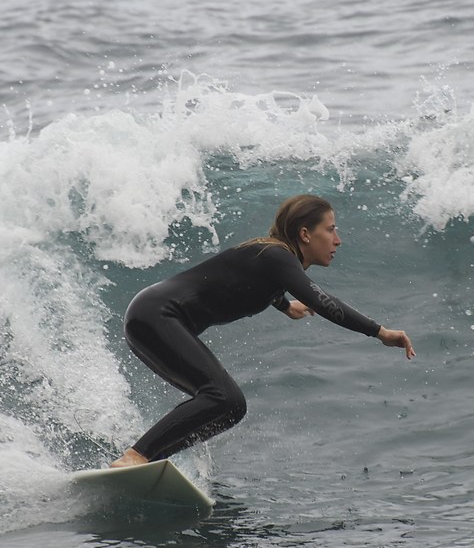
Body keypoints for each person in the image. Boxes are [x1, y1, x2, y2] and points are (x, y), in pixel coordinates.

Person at [108, 194, 415, 467]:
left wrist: (285, 306)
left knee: (232, 407)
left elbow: (249, 282)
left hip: (152, 317)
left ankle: (145, 460)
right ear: (305, 234)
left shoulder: (274, 260)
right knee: (220, 396)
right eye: (331, 229)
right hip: (156, 315)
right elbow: (323, 302)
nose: (338, 240)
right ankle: (137, 456)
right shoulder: (276, 256)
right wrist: (380, 332)